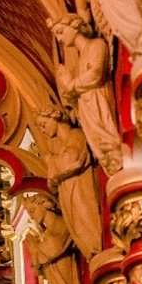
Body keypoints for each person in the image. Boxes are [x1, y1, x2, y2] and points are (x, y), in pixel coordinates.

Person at [52, 13, 123, 176]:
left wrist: (71, 84)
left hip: (99, 100)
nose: (59, 38)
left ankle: (116, 162)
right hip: (86, 107)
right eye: (57, 34)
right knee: (100, 147)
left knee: (108, 140)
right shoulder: (78, 64)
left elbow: (96, 74)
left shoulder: (97, 45)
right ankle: (112, 167)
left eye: (61, 32)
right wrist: (67, 86)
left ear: (74, 26)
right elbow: (74, 96)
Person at [35, 108, 103, 260]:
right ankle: (93, 253)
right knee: (78, 226)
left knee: (86, 221)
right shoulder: (63, 145)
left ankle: (96, 249)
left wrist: (50, 161)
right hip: (69, 190)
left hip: (80, 189)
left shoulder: (76, 135)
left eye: (43, 124)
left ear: (56, 118)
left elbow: (73, 160)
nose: (42, 130)